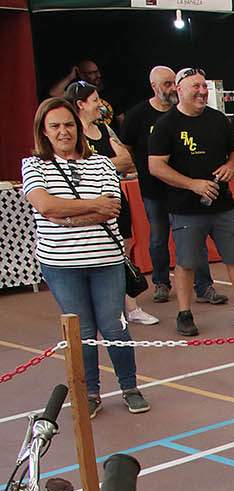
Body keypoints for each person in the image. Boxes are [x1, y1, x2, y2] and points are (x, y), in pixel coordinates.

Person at [22, 98, 149, 417]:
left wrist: (65, 216)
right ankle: (89, 392)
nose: (63, 131)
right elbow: (45, 206)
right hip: (61, 266)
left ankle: (129, 386)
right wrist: (89, 208)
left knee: (114, 326)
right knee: (81, 330)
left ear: (78, 128)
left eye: (68, 124)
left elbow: (111, 208)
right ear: (44, 132)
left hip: (106, 260)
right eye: (55, 126)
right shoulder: (33, 165)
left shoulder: (102, 163)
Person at [148, 67, 234, 337]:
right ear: (179, 90)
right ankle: (184, 314)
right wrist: (192, 184)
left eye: (204, 87)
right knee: (186, 262)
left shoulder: (218, 120)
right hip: (185, 209)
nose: (202, 92)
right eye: (196, 87)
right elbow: (156, 167)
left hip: (223, 204)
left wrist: (231, 165)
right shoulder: (166, 125)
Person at [117, 66, 222, 307]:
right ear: (153, 87)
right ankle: (161, 283)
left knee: (195, 238)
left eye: (173, 82)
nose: (171, 88)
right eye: (165, 84)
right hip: (154, 189)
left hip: (186, 189)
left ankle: (204, 286)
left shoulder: (187, 113)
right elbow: (127, 149)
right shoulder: (137, 115)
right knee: (158, 237)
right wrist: (140, 168)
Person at [64, 80, 156, 327]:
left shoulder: (104, 130)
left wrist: (96, 165)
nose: (100, 105)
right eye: (94, 100)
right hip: (88, 204)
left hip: (116, 199)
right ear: (81, 104)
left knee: (121, 251)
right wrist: (104, 166)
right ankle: (106, 310)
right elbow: (73, 168)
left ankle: (130, 306)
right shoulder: (71, 133)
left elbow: (126, 160)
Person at [50, 59, 113, 127]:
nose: (98, 75)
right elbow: (54, 94)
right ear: (81, 74)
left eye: (97, 71)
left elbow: (120, 118)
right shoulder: (76, 93)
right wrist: (70, 77)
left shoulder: (109, 91)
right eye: (92, 73)